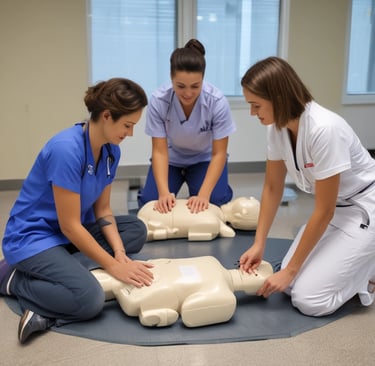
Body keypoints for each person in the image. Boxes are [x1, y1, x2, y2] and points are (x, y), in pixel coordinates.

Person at [0, 78, 154, 344]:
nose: (130, 134)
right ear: (107, 115)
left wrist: (119, 254)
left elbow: (103, 210)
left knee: (134, 230)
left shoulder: (110, 152)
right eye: (128, 125)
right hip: (34, 237)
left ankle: (65, 271)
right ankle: (12, 279)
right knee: (90, 299)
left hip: (66, 237)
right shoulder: (66, 150)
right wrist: (113, 267)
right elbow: (70, 225)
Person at [239, 56, 375, 316]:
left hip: (364, 211)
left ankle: (367, 270)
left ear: (277, 98)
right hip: (336, 210)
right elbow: (272, 188)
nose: (252, 113)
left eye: (256, 105)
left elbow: (324, 211)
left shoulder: (325, 129)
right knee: (288, 287)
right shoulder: (277, 128)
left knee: (309, 300)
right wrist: (259, 242)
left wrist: (290, 270)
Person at [137, 39, 236, 214]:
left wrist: (204, 195)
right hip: (171, 158)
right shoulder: (159, 100)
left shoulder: (217, 101)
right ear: (171, 78)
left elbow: (219, 153)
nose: (188, 93)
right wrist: (163, 193)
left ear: (203, 79)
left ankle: (220, 190)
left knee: (214, 202)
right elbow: (159, 151)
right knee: (152, 203)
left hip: (204, 158)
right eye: (180, 86)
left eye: (195, 86)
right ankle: (150, 192)